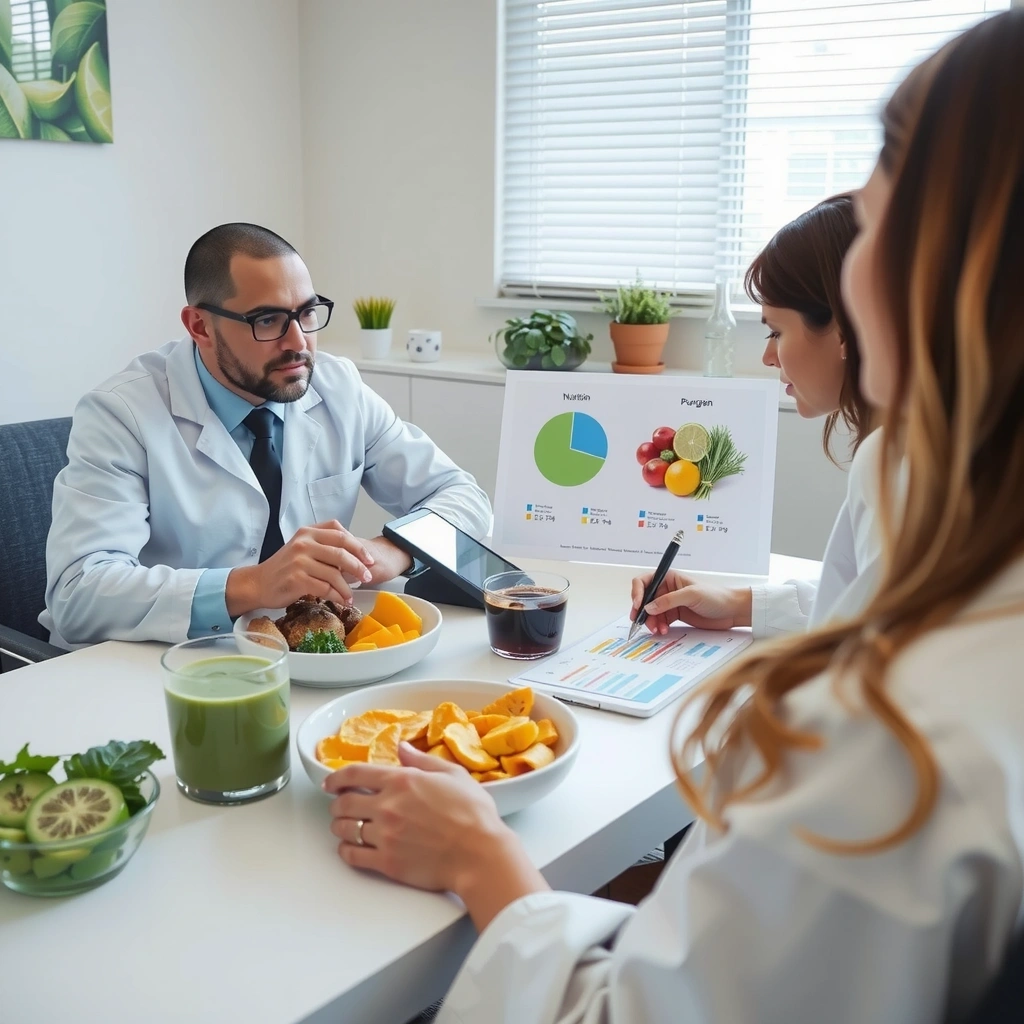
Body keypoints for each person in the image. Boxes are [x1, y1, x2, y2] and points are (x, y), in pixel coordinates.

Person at [325, 10, 1024, 1021]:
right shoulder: (956, 564)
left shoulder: (896, 741)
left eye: (871, 222)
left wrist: (481, 857)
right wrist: (748, 607)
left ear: (945, 267)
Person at [43, 223, 491, 646]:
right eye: (268, 320)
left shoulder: (338, 387)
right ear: (200, 326)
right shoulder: (121, 414)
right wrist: (254, 584)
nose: (298, 342)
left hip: (302, 656)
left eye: (307, 313)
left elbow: (464, 497)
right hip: (156, 661)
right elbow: (78, 594)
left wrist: (392, 551)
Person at [631, 195, 881, 640]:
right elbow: (862, 598)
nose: (768, 356)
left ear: (845, 327)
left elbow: (881, 638)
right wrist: (738, 605)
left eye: (776, 331)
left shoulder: (896, 461)